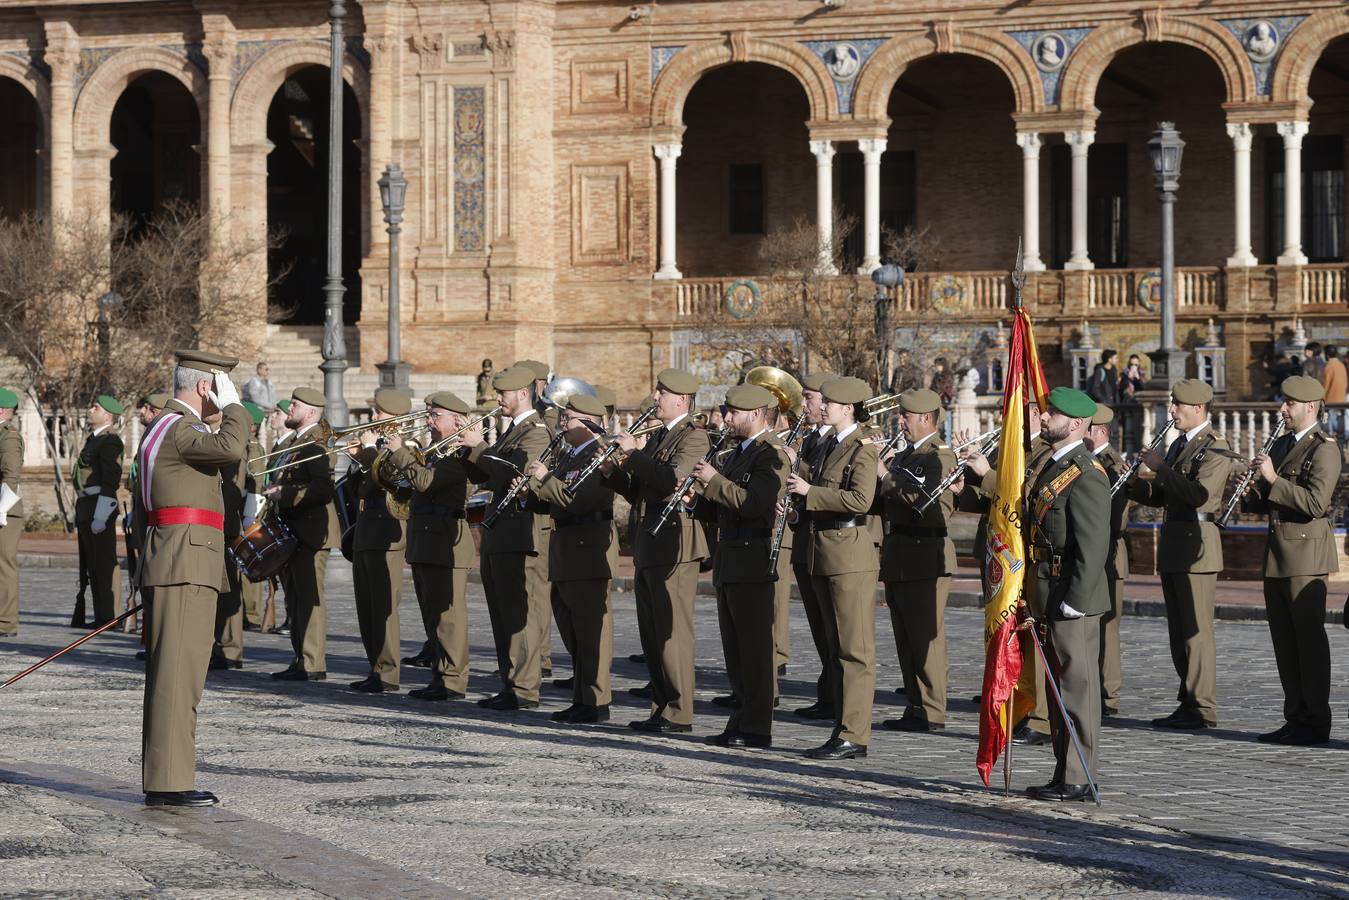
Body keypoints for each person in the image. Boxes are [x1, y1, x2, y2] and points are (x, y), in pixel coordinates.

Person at [137, 348, 249, 807]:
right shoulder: (182, 428)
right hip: (186, 561)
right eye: (220, 386)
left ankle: (168, 775)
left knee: (175, 673)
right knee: (179, 676)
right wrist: (237, 406)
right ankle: (168, 782)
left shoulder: (166, 426)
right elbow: (233, 447)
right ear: (206, 387)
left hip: (178, 559)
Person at [603, 368, 709, 734]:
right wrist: (611, 470)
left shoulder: (694, 437)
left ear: (681, 400)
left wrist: (634, 455)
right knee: (651, 631)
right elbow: (638, 491)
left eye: (661, 393)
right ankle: (661, 706)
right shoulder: (663, 436)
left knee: (673, 629)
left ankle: (680, 711)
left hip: (675, 541)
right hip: (650, 537)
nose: (654, 398)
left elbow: (669, 481)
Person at [784, 376, 880, 760]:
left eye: (831, 403)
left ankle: (854, 734)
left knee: (854, 650)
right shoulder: (828, 445)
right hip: (822, 550)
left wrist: (810, 493)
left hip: (849, 554)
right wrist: (797, 506)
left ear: (849, 408)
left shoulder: (863, 448)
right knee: (834, 647)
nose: (823, 407)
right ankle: (841, 727)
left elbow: (860, 499)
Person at [1128, 379, 1231, 730]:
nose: (1172, 411)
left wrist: (1161, 469)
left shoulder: (1215, 446)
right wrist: (1135, 483)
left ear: (1198, 408)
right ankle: (1187, 701)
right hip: (1175, 540)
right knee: (1178, 630)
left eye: (1178, 406)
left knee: (1196, 631)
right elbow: (1162, 497)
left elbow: (1200, 495)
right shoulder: (1180, 445)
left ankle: (1203, 707)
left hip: (1197, 544)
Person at [688, 383, 787, 748]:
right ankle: (741, 717)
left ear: (757, 414)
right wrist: (694, 499)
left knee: (755, 649)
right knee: (735, 649)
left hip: (753, 555)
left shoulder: (770, 454)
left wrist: (714, 482)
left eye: (734, 412)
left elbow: (754, 504)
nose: (727, 418)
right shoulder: (736, 453)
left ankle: (758, 726)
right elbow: (722, 508)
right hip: (730, 556)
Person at [1024, 387, 1111, 803]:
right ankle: (1064, 770)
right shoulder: (1052, 465)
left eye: (1052, 414)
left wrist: (1074, 599)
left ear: (1075, 424)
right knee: (1059, 689)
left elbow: (1093, 547)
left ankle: (1079, 774)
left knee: (1078, 688)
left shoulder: (1087, 473)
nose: (1043, 418)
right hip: (1047, 587)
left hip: (1073, 594)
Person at [1245, 376, 1338, 746]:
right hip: (1278, 553)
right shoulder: (1283, 443)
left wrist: (1273, 478)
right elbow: (1270, 500)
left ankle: (1315, 721)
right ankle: (1294, 716)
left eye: (1290, 403)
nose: (1282, 409)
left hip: (1306, 555)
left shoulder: (1324, 449)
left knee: (1308, 643)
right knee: (1285, 642)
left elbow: (1316, 503)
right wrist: (1253, 487)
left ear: (1310, 406)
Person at [459, 364, 554, 710]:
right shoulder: (512, 429)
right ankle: (509, 683)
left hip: (519, 532)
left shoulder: (536, 432)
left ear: (523, 393)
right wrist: (467, 451)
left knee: (520, 614)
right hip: (499, 531)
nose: (497, 397)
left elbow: (516, 472)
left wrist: (480, 448)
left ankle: (526, 687)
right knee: (501, 614)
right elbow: (491, 474)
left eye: (503, 393)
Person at [526, 393, 620, 724]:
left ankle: (596, 700)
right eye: (563, 418)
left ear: (589, 422)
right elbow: (556, 499)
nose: (562, 424)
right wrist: (530, 491)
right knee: (572, 628)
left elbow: (578, 500)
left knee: (590, 630)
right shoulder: (569, 455)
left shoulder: (600, 453)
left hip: (588, 545)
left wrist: (544, 481)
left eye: (569, 419)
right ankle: (582, 696)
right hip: (566, 547)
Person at [876, 388, 956, 733]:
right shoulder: (907, 455)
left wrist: (884, 476)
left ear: (926, 418)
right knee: (905, 636)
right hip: (901, 553)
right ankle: (915, 703)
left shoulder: (940, 456)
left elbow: (926, 504)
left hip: (926, 554)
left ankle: (933, 709)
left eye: (905, 417)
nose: (900, 422)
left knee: (927, 637)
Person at [387, 391, 476, 701]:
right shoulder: (435, 452)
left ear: (456, 421)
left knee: (448, 618)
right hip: (426, 540)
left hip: (446, 543)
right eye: (429, 414)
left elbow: (426, 482)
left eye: (435, 415)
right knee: (432, 617)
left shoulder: (459, 455)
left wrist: (400, 453)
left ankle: (453, 680)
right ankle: (440, 675)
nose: (428, 420)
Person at [265, 387, 337, 681]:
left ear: (310, 412)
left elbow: (323, 488)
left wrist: (287, 492)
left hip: (312, 532)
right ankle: (300, 658)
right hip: (293, 531)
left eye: (294, 405)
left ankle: (312, 662)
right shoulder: (297, 441)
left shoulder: (316, 444)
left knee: (308, 598)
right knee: (294, 599)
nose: (289, 409)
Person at [345, 389, 413, 694]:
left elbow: (392, 481)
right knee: (367, 607)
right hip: (366, 533)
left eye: (379, 414)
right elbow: (360, 491)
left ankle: (388, 672)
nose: (373, 419)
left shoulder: (406, 449)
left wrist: (370, 453)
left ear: (395, 419)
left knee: (384, 606)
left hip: (387, 535)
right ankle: (376, 667)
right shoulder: (377, 450)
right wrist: (357, 462)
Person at [789, 373, 835, 720]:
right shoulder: (810, 439)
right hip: (806, 539)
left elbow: (819, 483)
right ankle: (828, 691)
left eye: (810, 398)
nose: (804, 405)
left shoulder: (836, 441)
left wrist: (795, 462)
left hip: (830, 543)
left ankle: (836, 695)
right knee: (818, 625)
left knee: (834, 626)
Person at [1084, 405, 1131, 716]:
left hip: (1108, 552)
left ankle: (1108, 694)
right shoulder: (1089, 461)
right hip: (1091, 551)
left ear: (1100, 431)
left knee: (1107, 628)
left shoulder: (1112, 464)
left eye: (1087, 428)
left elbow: (1115, 518)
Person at [209, 399, 262, 672]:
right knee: (220, 591)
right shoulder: (220, 442)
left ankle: (230, 649)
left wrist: (247, 524)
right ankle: (221, 646)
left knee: (229, 591)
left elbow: (248, 489)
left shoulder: (239, 447)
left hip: (230, 526)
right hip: (218, 523)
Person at [75, 395, 125, 625]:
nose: (90, 409)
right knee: (92, 564)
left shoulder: (110, 441)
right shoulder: (93, 439)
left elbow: (110, 481)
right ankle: (100, 615)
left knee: (104, 563)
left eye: (95, 407)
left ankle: (109, 616)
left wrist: (101, 515)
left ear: (107, 415)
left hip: (98, 506)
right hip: (86, 505)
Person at [0, 388, 23, 639]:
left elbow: (11, 475)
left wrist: (2, 509)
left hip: (6, 509)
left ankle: (5, 622)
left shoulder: (8, 437)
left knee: (3, 565)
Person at [1319, 346, 1345, 437]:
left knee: (1331, 425)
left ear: (1327, 355)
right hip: (1342, 398)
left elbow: (1325, 385)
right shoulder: (1341, 365)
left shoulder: (1329, 366)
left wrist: (1320, 397)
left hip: (1331, 398)